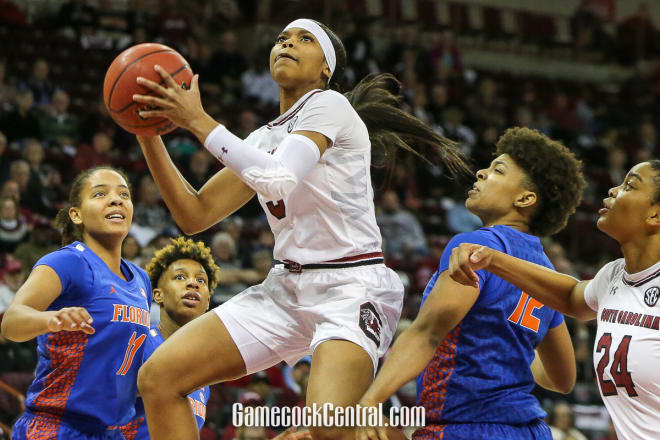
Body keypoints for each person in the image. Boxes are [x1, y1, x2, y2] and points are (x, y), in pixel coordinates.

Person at [132, 17, 469, 440]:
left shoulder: (329, 106)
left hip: (350, 287)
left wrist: (197, 120)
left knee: (331, 425)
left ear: (326, 68)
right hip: (286, 287)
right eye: (281, 39)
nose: (287, 44)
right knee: (158, 378)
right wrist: (147, 134)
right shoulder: (259, 139)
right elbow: (195, 214)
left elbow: (278, 178)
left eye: (304, 39)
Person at [356, 127, 586, 440]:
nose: (481, 172)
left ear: (525, 198)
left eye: (497, 170)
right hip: (530, 430)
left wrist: (370, 401)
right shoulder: (545, 273)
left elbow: (427, 333)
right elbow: (563, 379)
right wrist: (508, 359)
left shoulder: (478, 245)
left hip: (464, 427)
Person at [448, 159, 660, 440]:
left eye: (629, 186)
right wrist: (492, 259)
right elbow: (571, 297)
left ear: (655, 215)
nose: (612, 190)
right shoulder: (613, 276)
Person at [1, 166, 152, 439]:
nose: (116, 199)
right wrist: (51, 319)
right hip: (57, 426)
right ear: (76, 214)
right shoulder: (69, 262)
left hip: (112, 432)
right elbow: (11, 322)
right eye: (100, 194)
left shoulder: (141, 280)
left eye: (124, 194)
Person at [119, 236, 218, 439]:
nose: (192, 284)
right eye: (180, 277)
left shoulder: (203, 378)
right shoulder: (138, 342)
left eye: (201, 280)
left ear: (208, 300)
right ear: (158, 295)